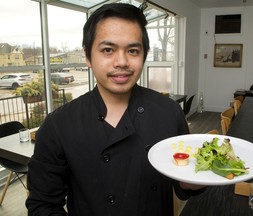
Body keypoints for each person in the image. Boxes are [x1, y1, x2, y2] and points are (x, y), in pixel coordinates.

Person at [26, 3, 202, 215]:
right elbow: (42, 205)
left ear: (144, 55)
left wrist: (196, 179)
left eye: (133, 50)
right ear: (88, 56)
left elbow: (182, 185)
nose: (122, 62)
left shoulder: (169, 112)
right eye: (108, 50)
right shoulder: (58, 125)